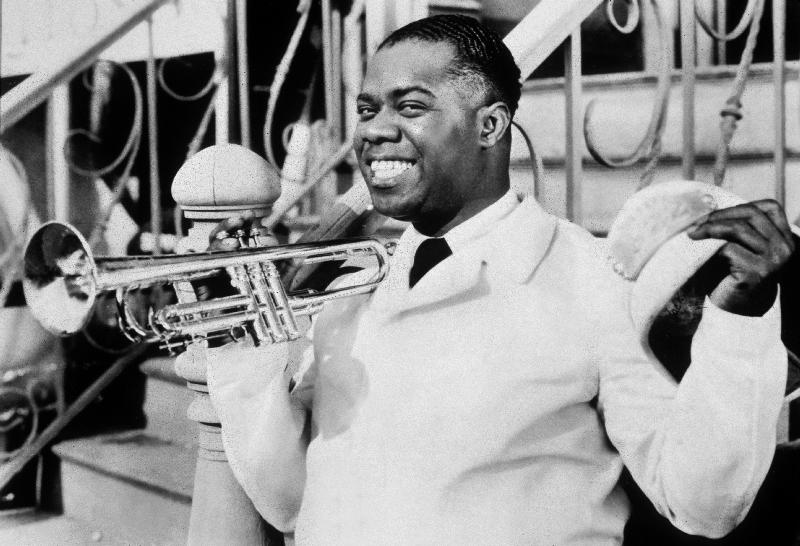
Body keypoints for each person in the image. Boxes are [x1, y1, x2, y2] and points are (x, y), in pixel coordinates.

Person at [196, 15, 795, 545]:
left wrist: (741, 318)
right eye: (366, 109)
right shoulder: (348, 290)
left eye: (410, 107)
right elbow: (290, 503)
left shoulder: (595, 285)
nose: (374, 131)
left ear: (490, 125)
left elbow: (704, 504)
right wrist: (239, 351)